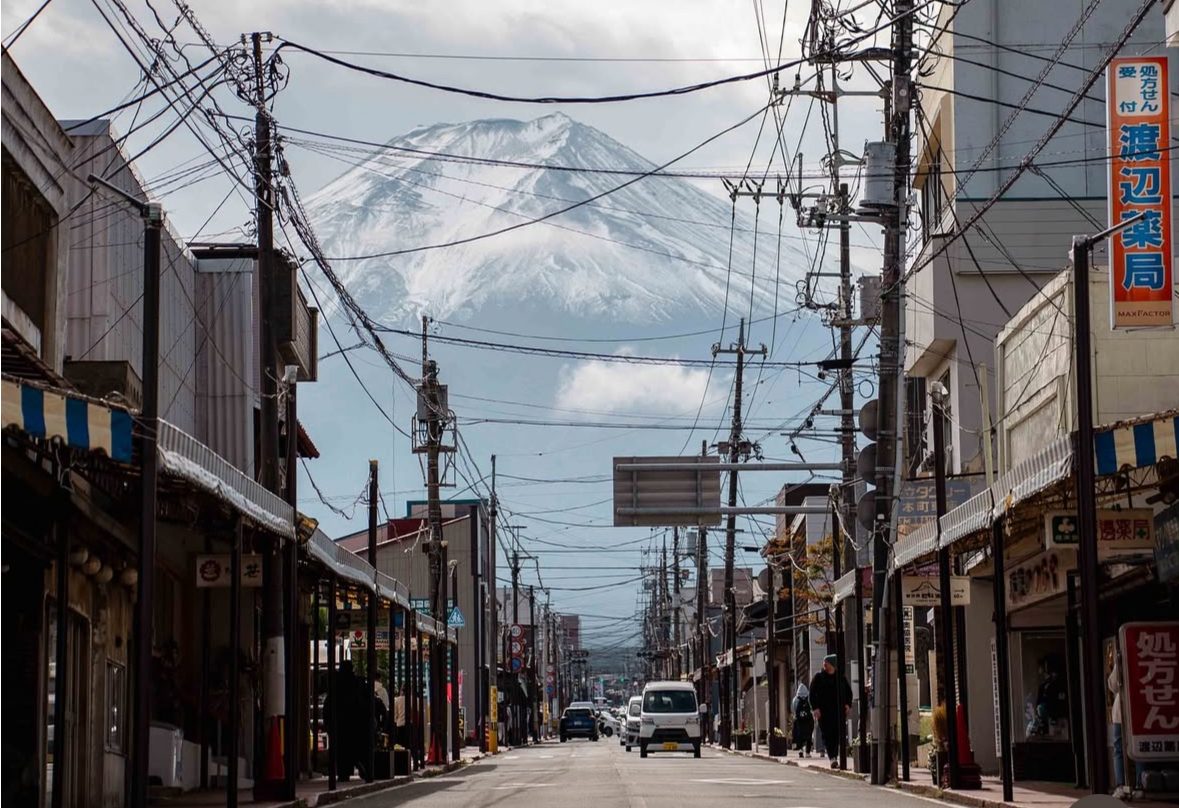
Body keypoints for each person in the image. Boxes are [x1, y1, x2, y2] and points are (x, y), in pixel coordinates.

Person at [809, 654, 853, 769]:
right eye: (824, 662)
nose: (824, 664)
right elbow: (812, 694)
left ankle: (835, 755)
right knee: (827, 734)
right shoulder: (818, 677)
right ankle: (832, 758)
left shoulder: (840, 678)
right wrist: (815, 708)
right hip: (823, 712)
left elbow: (849, 692)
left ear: (832, 664)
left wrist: (848, 704)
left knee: (837, 734)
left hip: (838, 711)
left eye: (826, 662)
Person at [324, 660, 361, 781]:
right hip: (352, 720)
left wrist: (327, 722)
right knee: (351, 746)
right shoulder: (355, 682)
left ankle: (341, 772)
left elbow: (328, 703)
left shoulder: (335, 682)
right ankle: (347, 770)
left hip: (338, 721)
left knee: (339, 748)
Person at [1109, 646, 1130, 799]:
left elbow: (1113, 683)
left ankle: (1121, 785)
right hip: (1143, 711)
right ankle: (1139, 784)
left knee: (1119, 748)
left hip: (1121, 711)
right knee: (1138, 748)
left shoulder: (1121, 657)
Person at [791, 683, 815, 757]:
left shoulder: (795, 699)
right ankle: (807, 753)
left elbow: (793, 709)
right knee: (809, 735)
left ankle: (800, 750)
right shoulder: (809, 698)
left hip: (799, 721)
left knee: (799, 735)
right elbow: (812, 707)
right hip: (808, 720)